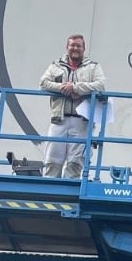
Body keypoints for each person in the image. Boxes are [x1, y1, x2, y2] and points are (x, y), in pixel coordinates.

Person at [40, 34, 106, 178]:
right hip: (59, 119)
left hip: (81, 121)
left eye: (78, 46)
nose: (75, 48)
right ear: (67, 47)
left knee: (75, 163)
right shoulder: (56, 65)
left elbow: (101, 85)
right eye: (72, 45)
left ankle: (68, 196)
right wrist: (63, 88)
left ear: (84, 48)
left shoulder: (93, 66)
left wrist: (76, 88)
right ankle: (49, 195)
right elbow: (43, 83)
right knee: (52, 161)